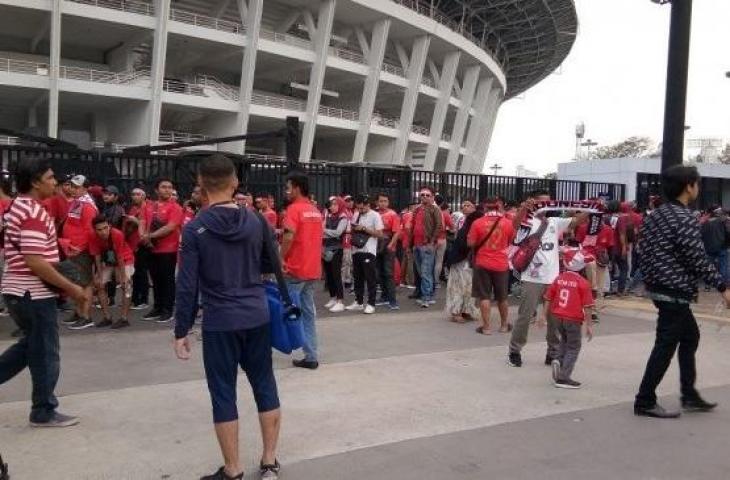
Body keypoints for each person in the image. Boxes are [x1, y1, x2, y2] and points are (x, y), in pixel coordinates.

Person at [174, 154, 281, 480]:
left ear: (202, 186)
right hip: (256, 314)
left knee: (223, 392)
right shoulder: (257, 221)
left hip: (220, 321)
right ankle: (269, 462)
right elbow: (270, 265)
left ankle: (233, 470)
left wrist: (182, 329)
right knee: (264, 384)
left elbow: (187, 285)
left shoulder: (195, 229)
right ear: (235, 183)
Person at [635, 165, 730, 419]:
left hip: (659, 286)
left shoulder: (656, 215)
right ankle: (645, 400)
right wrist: (723, 286)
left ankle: (689, 394)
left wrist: (651, 278)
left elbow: (642, 250)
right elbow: (697, 258)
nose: (697, 188)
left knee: (689, 337)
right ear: (689, 186)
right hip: (675, 289)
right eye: (697, 184)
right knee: (666, 344)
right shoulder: (685, 217)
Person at [0, 157, 88, 427]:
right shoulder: (34, 212)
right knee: (45, 353)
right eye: (50, 178)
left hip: (17, 290)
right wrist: (73, 288)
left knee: (32, 346)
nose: (55, 182)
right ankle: (43, 411)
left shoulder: (16, 206)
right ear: (36, 182)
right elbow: (34, 260)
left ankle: (43, 408)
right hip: (32, 293)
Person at [507, 191, 585, 368]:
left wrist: (589, 209)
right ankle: (515, 350)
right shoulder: (528, 221)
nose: (545, 205)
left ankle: (553, 352)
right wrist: (523, 209)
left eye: (548, 202)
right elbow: (515, 224)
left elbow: (576, 222)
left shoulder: (554, 222)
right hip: (532, 277)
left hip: (552, 278)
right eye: (542, 202)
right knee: (525, 316)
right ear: (534, 203)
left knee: (555, 318)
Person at [281, 172, 323, 370]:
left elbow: (289, 237)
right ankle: (311, 355)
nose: (286, 191)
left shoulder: (294, 209)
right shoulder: (315, 210)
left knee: (287, 311)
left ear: (297, 188)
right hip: (312, 269)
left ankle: (279, 345)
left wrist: (281, 258)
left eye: (288, 187)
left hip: (295, 269)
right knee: (307, 314)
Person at [540, 247, 594, 389]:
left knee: (564, 340)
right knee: (574, 346)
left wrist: (543, 316)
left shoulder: (558, 279)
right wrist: (589, 325)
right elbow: (588, 306)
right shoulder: (583, 283)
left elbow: (548, 297)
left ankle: (558, 359)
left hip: (557, 316)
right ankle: (564, 377)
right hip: (573, 318)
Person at [468, 197, 516, 335]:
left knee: (484, 296)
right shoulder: (508, 223)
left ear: (484, 208)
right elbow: (512, 240)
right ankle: (504, 326)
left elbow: (471, 243)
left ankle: (487, 327)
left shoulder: (477, 223)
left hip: (482, 263)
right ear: (498, 207)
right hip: (501, 264)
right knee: (502, 297)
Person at [140, 178, 184, 323]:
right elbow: (142, 221)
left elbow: (170, 227)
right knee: (155, 280)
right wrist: (143, 236)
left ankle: (167, 310)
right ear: (156, 190)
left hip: (168, 250)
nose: (167, 190)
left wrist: (149, 236)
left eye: (170, 187)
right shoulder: (148, 206)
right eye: (164, 187)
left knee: (167, 281)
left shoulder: (175, 207)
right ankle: (157, 307)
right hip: (151, 249)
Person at [61, 175, 98, 330]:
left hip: (80, 251)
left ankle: (86, 316)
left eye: (77, 187)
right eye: (72, 186)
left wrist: (79, 248)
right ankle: (78, 312)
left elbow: (90, 231)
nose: (73, 189)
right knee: (76, 282)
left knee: (85, 283)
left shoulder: (87, 206)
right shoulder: (78, 203)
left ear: (85, 188)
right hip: (72, 249)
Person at [89, 214, 135, 329]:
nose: (103, 232)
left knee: (127, 285)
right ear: (95, 230)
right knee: (99, 284)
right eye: (99, 230)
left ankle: (124, 318)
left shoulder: (117, 234)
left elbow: (120, 257)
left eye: (105, 228)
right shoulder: (92, 236)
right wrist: (99, 276)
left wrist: (123, 277)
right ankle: (107, 317)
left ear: (109, 226)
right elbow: (97, 257)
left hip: (124, 258)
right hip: (109, 261)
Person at [346, 194, 384, 314]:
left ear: (368, 205)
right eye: (358, 208)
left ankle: (371, 303)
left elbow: (380, 234)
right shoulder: (357, 214)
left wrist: (364, 229)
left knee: (370, 278)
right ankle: (358, 301)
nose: (360, 210)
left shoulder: (375, 215)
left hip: (369, 250)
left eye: (362, 208)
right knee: (357, 278)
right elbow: (353, 228)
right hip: (356, 249)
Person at [444, 200, 481, 323]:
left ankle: (466, 310)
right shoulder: (463, 221)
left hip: (470, 259)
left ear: (474, 207)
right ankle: (456, 311)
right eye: (463, 205)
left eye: (468, 205)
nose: (465, 207)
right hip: (461, 259)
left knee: (469, 287)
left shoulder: (474, 221)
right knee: (458, 287)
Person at [411, 187, 442, 308]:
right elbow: (413, 226)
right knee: (421, 271)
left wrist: (432, 242)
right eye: (422, 194)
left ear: (432, 197)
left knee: (425, 272)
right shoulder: (417, 209)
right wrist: (411, 244)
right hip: (417, 244)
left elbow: (438, 226)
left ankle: (427, 297)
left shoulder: (435, 209)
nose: (424, 196)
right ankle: (428, 294)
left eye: (427, 195)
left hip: (427, 244)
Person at [322, 196, 348, 313]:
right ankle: (333, 298)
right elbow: (330, 233)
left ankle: (340, 301)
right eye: (331, 204)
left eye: (335, 204)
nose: (332, 206)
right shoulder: (328, 216)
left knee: (336, 275)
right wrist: (328, 233)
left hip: (336, 249)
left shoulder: (343, 217)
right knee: (329, 275)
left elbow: (338, 232)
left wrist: (323, 231)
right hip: (326, 248)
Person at [375, 193, 401, 310]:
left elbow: (397, 232)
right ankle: (384, 296)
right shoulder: (374, 214)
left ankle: (392, 300)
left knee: (389, 273)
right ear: (377, 202)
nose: (383, 203)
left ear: (388, 202)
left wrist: (391, 244)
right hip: (376, 245)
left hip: (388, 245)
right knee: (380, 272)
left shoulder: (393, 214)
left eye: (385, 201)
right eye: (381, 201)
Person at [127, 188, 150, 310]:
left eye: (138, 194)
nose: (135, 196)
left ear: (144, 196)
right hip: (131, 244)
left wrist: (135, 220)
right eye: (133, 194)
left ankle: (143, 300)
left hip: (141, 244)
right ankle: (134, 299)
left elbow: (147, 225)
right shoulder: (133, 209)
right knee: (134, 273)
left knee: (142, 272)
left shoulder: (147, 208)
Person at [700, 207, 730, 287]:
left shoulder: (705, 222)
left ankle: (708, 285)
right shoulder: (722, 221)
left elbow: (701, 235)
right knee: (723, 266)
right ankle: (725, 284)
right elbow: (727, 232)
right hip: (722, 246)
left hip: (709, 247)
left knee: (709, 267)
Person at [434, 197, 455, 285]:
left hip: (430, 239)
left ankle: (428, 280)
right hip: (441, 239)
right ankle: (435, 281)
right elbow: (452, 228)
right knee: (439, 261)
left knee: (430, 260)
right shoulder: (445, 214)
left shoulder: (431, 211)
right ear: (442, 203)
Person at [341, 195, 355, 290]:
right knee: (346, 260)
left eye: (351, 200)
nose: (350, 202)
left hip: (350, 238)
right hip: (345, 238)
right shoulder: (343, 212)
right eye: (348, 201)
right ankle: (343, 280)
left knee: (349, 261)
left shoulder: (351, 212)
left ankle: (348, 279)